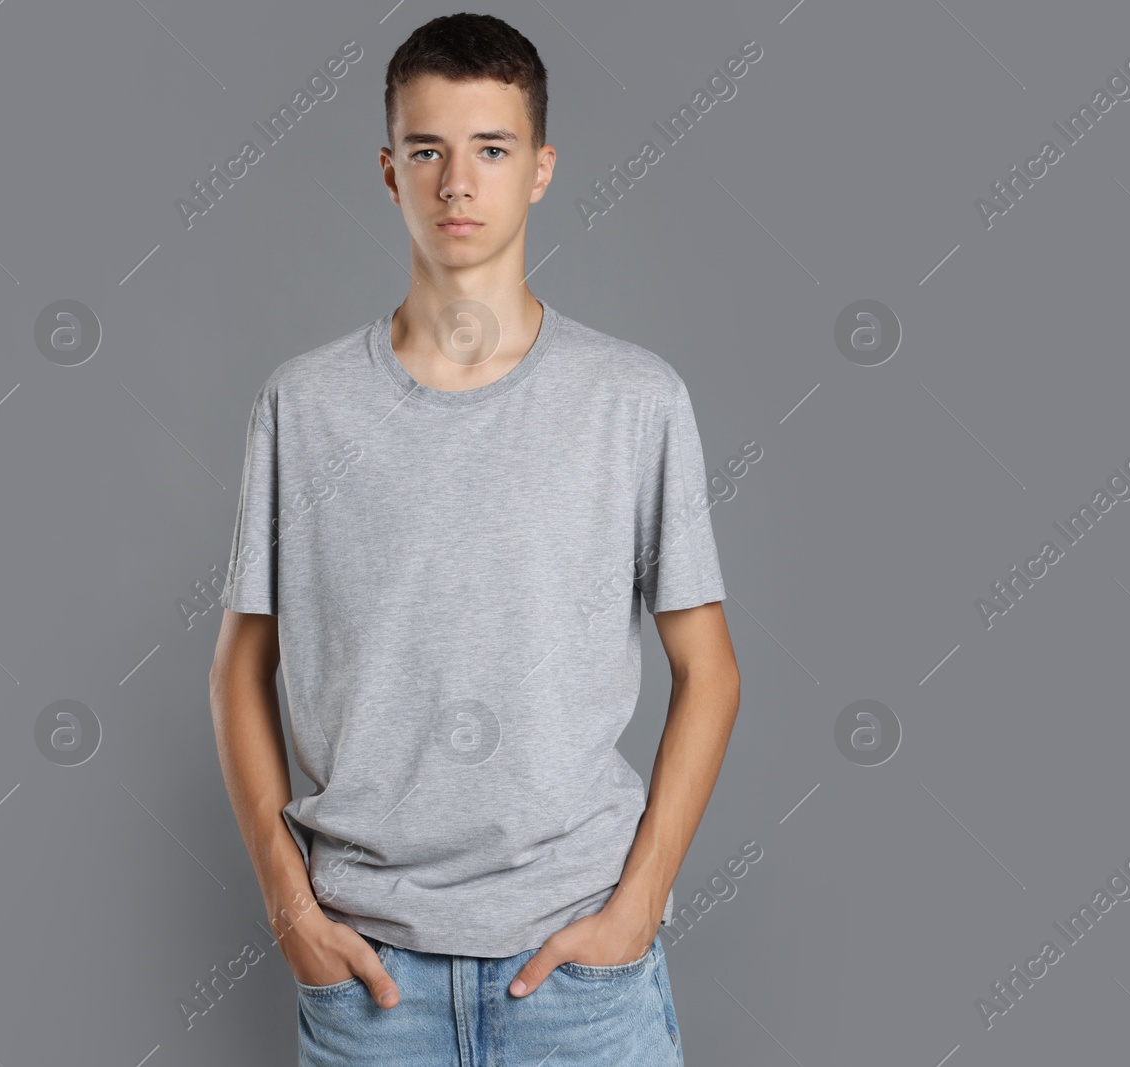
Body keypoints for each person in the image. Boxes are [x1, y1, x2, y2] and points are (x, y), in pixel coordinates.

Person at [207, 12, 740, 1065]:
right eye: (428, 150)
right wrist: (289, 907)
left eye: (490, 150)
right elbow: (238, 668)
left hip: (581, 974)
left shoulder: (633, 399)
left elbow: (710, 670)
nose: (458, 182)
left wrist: (636, 905)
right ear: (388, 170)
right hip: (371, 983)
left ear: (539, 169)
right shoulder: (304, 406)